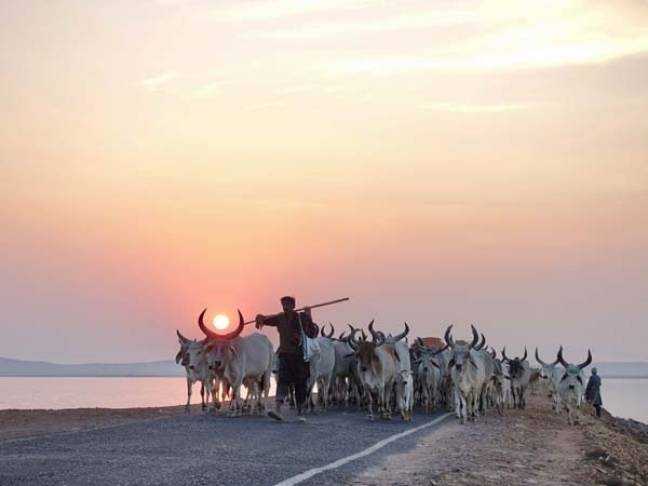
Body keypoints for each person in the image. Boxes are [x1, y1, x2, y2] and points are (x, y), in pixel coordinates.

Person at [255, 296, 318, 420]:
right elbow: (268, 320)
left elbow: (312, 333)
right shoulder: (280, 318)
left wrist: (309, 316)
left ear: (293, 306)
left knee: (300, 383)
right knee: (283, 380)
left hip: (299, 355)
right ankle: (277, 409)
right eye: (283, 305)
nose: (285, 307)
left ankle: (300, 412)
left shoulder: (301, 317)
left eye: (288, 304)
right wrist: (261, 317)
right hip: (285, 354)